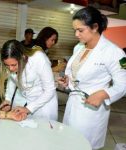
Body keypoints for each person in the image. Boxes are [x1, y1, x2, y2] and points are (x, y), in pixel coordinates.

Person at [57, 6, 126, 149]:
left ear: (95, 27)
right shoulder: (79, 48)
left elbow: (123, 84)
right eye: (74, 30)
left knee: (83, 144)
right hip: (73, 104)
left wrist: (103, 94)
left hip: (91, 110)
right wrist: (67, 81)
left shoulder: (114, 52)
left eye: (80, 30)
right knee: (68, 142)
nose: (76, 34)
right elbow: (76, 74)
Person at [0, 40, 58, 121]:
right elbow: (12, 80)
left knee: (43, 130)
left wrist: (28, 109)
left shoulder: (38, 58)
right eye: (7, 65)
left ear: (23, 56)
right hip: (27, 101)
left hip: (44, 102)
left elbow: (50, 90)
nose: (11, 68)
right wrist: (8, 99)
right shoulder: (10, 63)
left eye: (14, 65)